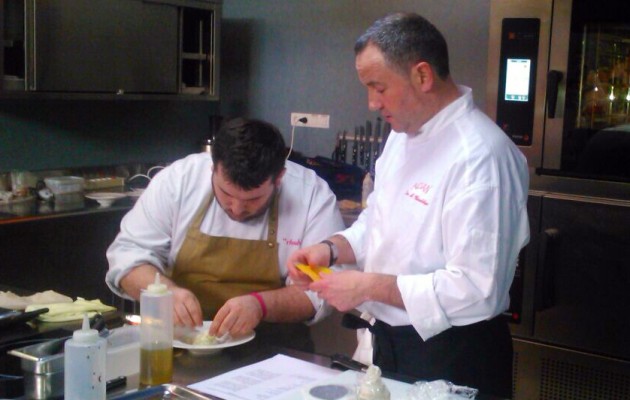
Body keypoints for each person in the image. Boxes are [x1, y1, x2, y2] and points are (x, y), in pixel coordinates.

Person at [287, 13, 529, 397]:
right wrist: (331, 249)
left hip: (454, 354)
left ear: (422, 75)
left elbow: (474, 288)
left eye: (378, 88)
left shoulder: (482, 156)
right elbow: (379, 222)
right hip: (392, 347)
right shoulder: (401, 136)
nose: (371, 103)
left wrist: (367, 286)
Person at [106, 117, 345, 348]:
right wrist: (164, 293)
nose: (237, 208)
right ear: (213, 168)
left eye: (253, 199)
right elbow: (128, 257)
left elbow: (320, 290)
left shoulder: (312, 195)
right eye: (226, 194)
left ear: (279, 178)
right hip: (176, 344)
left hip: (276, 351)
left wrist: (260, 305)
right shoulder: (178, 181)